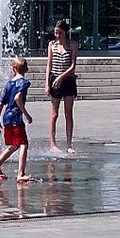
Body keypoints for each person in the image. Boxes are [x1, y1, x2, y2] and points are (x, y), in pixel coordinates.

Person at [0, 57, 33, 182]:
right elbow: (18, 98)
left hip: (6, 117)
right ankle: (21, 173)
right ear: (25, 69)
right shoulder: (24, 83)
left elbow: (1, 103)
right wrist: (27, 114)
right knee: (23, 144)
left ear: (13, 69)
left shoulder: (9, 84)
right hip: (16, 117)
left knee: (13, 145)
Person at [45, 20, 79, 154]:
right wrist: (47, 83)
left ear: (66, 32)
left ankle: (69, 144)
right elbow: (49, 64)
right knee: (54, 113)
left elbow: (73, 66)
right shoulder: (52, 45)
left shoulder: (73, 45)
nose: (58, 36)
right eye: (56, 33)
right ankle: (52, 143)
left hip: (68, 79)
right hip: (55, 79)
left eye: (60, 33)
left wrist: (61, 77)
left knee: (68, 113)